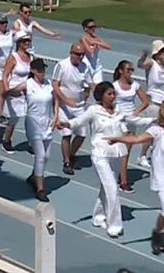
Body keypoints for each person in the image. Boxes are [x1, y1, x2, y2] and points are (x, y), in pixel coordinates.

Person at [107, 101, 164, 256]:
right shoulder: (156, 131)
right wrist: (118, 139)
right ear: (163, 119)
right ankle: (157, 232)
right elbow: (137, 139)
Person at [58, 82, 129, 238]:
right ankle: (115, 225)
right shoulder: (93, 110)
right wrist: (66, 123)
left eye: (113, 93)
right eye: (109, 94)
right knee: (112, 189)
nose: (113, 96)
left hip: (116, 154)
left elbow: (127, 126)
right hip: (100, 154)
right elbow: (79, 121)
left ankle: (98, 217)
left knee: (106, 188)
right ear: (101, 96)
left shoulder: (118, 110)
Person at [20, 58, 58, 202]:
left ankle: (34, 176)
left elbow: (56, 100)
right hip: (33, 122)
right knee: (40, 155)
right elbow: (11, 91)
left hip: (47, 122)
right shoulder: (28, 85)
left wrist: (56, 115)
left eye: (44, 69)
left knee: (47, 156)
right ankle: (40, 189)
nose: (43, 72)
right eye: (40, 70)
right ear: (33, 71)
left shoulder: (48, 84)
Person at [53, 42, 93, 175]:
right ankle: (66, 162)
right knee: (66, 134)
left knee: (82, 134)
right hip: (64, 107)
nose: (80, 57)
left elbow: (89, 84)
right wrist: (65, 100)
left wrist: (90, 93)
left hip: (79, 106)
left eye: (82, 54)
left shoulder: (85, 67)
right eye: (77, 54)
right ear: (71, 53)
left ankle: (71, 154)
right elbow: (55, 85)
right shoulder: (62, 65)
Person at [113, 60, 149, 193]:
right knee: (124, 151)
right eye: (128, 70)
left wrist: (136, 111)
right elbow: (109, 101)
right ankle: (123, 181)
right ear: (121, 71)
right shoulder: (115, 86)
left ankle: (119, 176)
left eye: (132, 70)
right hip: (121, 121)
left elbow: (146, 101)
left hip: (131, 121)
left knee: (126, 152)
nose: (130, 72)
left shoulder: (135, 85)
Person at [137, 39, 164, 169]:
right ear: (156, 53)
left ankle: (157, 154)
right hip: (153, 102)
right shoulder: (152, 64)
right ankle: (142, 155)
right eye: (162, 51)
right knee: (151, 131)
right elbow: (140, 65)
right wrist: (143, 57)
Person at [1, 30, 32, 154]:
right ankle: (6, 141)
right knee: (13, 119)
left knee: (31, 118)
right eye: (25, 41)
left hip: (27, 92)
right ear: (19, 43)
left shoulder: (31, 56)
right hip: (14, 92)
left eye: (28, 41)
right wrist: (8, 90)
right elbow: (5, 75)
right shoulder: (13, 57)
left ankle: (32, 142)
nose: (27, 43)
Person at [0, 15, 14, 124]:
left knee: (6, 89)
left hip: (8, 65)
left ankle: (2, 109)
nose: (5, 24)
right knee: (1, 88)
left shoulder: (10, 33)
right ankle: (0, 112)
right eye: (2, 23)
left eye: (6, 22)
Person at [79, 18, 111, 85]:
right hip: (86, 66)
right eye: (91, 27)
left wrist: (96, 42)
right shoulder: (83, 38)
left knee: (99, 87)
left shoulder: (97, 38)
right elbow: (90, 51)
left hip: (97, 66)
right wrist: (95, 45)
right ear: (85, 29)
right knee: (87, 87)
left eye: (94, 27)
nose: (93, 29)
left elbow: (109, 47)